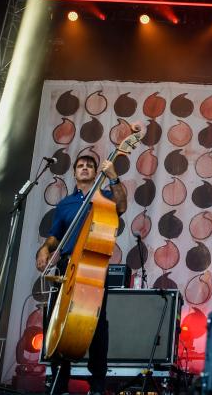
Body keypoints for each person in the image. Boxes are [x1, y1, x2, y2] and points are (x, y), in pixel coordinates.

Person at [36, 154, 127, 395]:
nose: (84, 168)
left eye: (89, 166)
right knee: (57, 320)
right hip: (67, 267)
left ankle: (97, 382)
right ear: (74, 173)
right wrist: (45, 248)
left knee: (97, 324)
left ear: (96, 172)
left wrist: (114, 178)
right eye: (80, 166)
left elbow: (122, 207)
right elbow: (56, 236)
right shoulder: (65, 204)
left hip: (93, 268)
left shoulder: (105, 197)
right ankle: (59, 381)